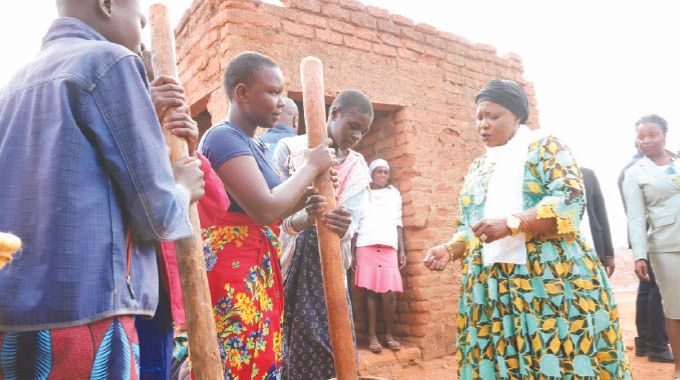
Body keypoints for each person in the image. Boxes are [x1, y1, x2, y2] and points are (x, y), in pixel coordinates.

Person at [0, 1, 204, 378]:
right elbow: (156, 218)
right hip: (88, 317)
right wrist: (182, 187)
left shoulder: (13, 84)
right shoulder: (112, 62)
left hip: (10, 317)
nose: (141, 32)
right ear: (107, 4)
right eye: (141, 21)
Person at [423, 80, 631, 379]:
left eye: (493, 116)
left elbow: (570, 199)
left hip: (547, 282)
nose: (483, 125)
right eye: (479, 117)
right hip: (494, 289)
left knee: (558, 355)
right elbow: (471, 225)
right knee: (503, 362)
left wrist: (512, 224)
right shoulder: (479, 168)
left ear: (517, 116)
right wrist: (450, 249)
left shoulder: (545, 147)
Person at [196, 51, 340, 380]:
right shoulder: (222, 137)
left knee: (260, 356)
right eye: (273, 92)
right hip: (233, 266)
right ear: (242, 93)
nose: (280, 101)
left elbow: (278, 208)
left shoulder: (254, 145)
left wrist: (309, 195)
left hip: (257, 264)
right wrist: (310, 167)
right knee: (238, 356)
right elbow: (263, 208)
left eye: (282, 93)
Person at [275, 89, 374, 380]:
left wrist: (344, 226)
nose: (356, 136)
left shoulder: (357, 166)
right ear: (334, 114)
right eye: (352, 126)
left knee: (333, 338)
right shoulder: (290, 149)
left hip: (329, 258)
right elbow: (273, 207)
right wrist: (303, 217)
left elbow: (352, 221)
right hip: (294, 253)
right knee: (294, 336)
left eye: (363, 132)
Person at [622, 114, 680, 377]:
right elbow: (635, 217)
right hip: (667, 246)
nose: (646, 141)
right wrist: (640, 256)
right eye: (641, 136)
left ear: (664, 134)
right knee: (675, 307)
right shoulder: (634, 174)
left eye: (652, 135)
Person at [619, 147, 673, 362]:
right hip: (654, 236)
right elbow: (636, 211)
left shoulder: (628, 168)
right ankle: (657, 344)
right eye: (644, 137)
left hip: (645, 235)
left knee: (647, 289)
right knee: (657, 290)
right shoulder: (635, 171)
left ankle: (645, 342)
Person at [354, 158, 406, 353]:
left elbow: (398, 222)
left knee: (390, 293)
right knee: (371, 292)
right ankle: (372, 336)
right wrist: (351, 251)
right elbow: (356, 223)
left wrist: (402, 249)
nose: (383, 175)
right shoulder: (362, 194)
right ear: (371, 174)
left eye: (386, 172)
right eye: (379, 171)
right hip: (365, 245)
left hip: (388, 245)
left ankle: (388, 334)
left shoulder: (394, 195)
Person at [579, 167, 615, 277]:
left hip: (593, 248)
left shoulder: (587, 174)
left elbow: (600, 213)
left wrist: (608, 254)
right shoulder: (547, 174)